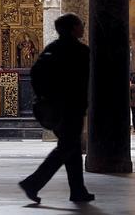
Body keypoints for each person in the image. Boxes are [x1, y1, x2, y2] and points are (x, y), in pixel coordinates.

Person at [19, 13, 94, 203]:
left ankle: (78, 190)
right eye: (80, 24)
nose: (83, 27)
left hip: (55, 106)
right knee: (66, 147)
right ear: (73, 28)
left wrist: (45, 96)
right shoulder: (79, 50)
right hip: (71, 107)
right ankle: (33, 183)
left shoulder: (52, 48)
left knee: (72, 148)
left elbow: (36, 73)